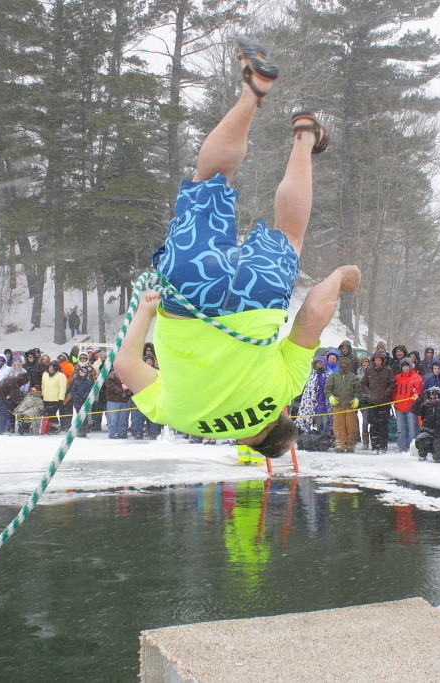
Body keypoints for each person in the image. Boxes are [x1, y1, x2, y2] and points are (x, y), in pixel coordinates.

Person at [114, 39, 353, 458]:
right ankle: (252, 94)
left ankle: (302, 137)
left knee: (290, 233)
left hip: (255, 296)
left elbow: (313, 314)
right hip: (191, 294)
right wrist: (145, 311)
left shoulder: (285, 389)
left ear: (281, 417)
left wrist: (339, 277)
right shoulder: (181, 419)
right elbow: (126, 367)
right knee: (209, 178)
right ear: (247, 442)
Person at [361, 351, 395, 454]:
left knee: (383, 425)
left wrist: (386, 393)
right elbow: (363, 383)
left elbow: (392, 384)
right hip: (372, 402)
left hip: (384, 402)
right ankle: (375, 446)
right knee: (373, 425)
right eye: (376, 360)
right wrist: (369, 393)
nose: (378, 362)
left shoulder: (388, 370)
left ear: (383, 361)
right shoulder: (369, 370)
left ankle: (383, 446)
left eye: (380, 360)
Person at [325, 355, 360, 452]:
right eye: (342, 364)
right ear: (339, 365)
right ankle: (340, 444)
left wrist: (356, 399)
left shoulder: (353, 376)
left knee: (351, 426)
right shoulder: (333, 376)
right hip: (338, 406)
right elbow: (327, 389)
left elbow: (358, 390)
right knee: (338, 426)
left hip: (350, 406)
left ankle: (350, 445)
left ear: (349, 365)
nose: (344, 365)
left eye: (346, 364)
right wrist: (331, 397)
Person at [392, 358, 423, 453]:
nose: (405, 368)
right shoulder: (397, 377)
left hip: (410, 407)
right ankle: (401, 446)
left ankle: (412, 446)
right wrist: (395, 401)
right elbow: (394, 391)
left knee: (412, 428)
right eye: (403, 366)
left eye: (407, 366)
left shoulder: (416, 377)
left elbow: (419, 389)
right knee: (400, 428)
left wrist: (415, 397)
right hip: (399, 407)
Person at [412, 386, 440, 462]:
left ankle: (438, 453)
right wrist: (420, 399)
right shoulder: (425, 405)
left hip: (439, 434)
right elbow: (414, 410)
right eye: (432, 394)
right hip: (427, 432)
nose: (434, 397)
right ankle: (422, 455)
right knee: (423, 440)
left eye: (436, 394)